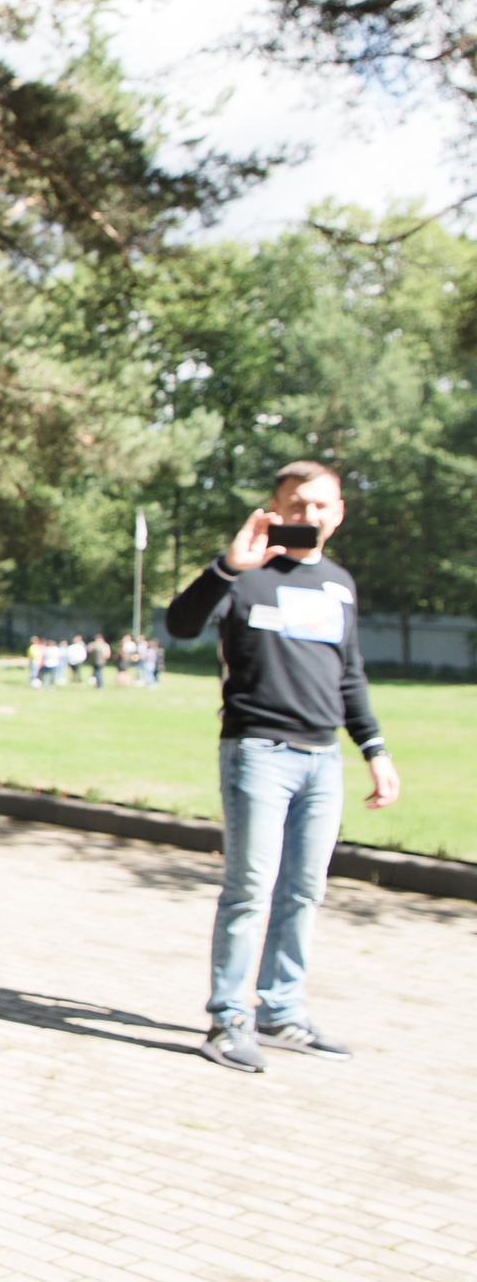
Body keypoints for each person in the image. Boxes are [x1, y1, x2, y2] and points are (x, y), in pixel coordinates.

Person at [164, 459, 402, 1075]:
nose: (309, 515)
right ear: (275, 510)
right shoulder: (246, 574)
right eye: (297, 505)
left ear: (339, 512)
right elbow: (180, 625)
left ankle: (281, 1012)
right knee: (250, 889)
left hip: (322, 761)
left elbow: (349, 675)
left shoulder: (340, 584)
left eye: (321, 505)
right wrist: (227, 566)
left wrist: (374, 751)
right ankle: (228, 1019)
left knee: (304, 890)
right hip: (258, 753)